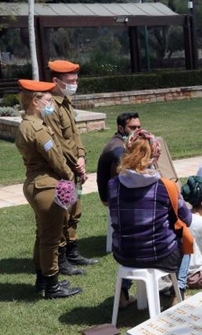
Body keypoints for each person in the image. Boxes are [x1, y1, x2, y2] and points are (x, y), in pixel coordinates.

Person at [108, 129, 192, 306]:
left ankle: (123, 292)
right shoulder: (165, 186)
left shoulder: (113, 184)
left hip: (123, 255)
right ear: (155, 156)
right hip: (159, 255)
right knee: (186, 239)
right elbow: (187, 219)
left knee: (134, 239)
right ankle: (179, 293)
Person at [15, 79, 81, 299]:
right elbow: (56, 160)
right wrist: (72, 176)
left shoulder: (25, 125)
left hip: (36, 184)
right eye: (48, 100)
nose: (51, 104)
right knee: (51, 238)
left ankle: (42, 280)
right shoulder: (38, 129)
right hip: (46, 186)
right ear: (36, 101)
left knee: (42, 235)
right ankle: (52, 286)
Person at [45, 59, 98, 274]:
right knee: (63, 214)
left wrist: (82, 157)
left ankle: (73, 251)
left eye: (76, 79)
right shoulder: (50, 106)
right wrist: (76, 166)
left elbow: (75, 136)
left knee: (75, 210)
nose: (75, 83)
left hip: (75, 168)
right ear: (56, 81)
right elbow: (58, 142)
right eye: (70, 80)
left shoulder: (67, 102)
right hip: (62, 171)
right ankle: (62, 258)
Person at [97, 112, 141, 205]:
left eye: (138, 127)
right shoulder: (118, 148)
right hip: (115, 200)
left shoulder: (121, 142)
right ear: (121, 128)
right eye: (133, 128)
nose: (137, 131)